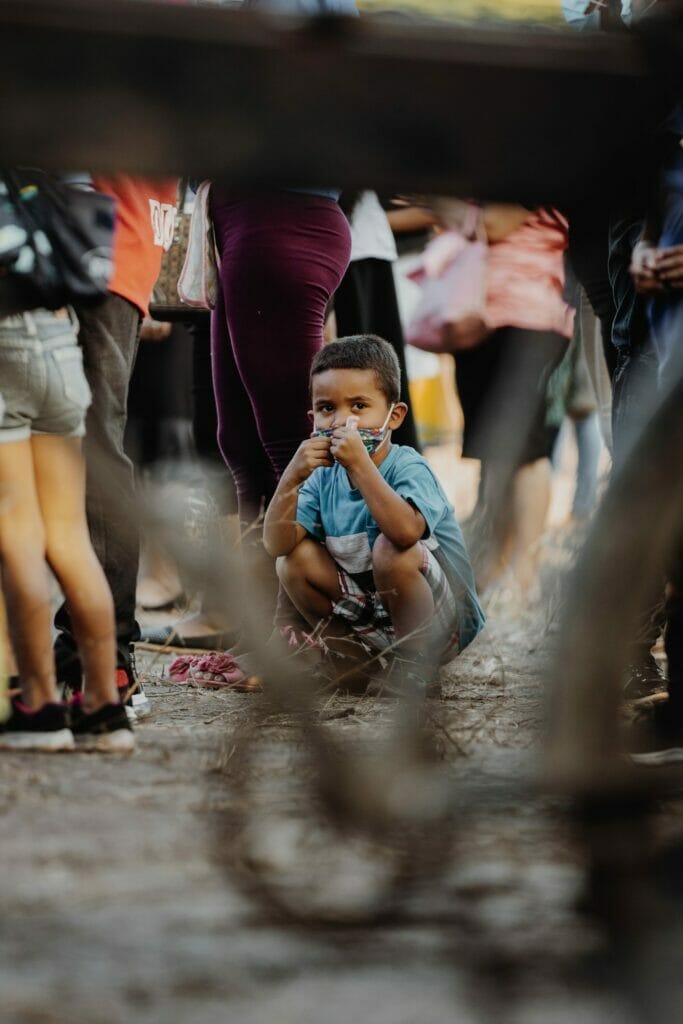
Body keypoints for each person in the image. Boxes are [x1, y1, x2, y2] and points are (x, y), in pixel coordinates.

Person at [262, 335, 485, 694]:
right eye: (327, 408)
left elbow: (404, 533)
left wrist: (360, 465)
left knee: (390, 549)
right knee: (291, 562)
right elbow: (276, 543)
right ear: (312, 417)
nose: (341, 422)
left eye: (359, 406)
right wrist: (291, 478)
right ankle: (349, 661)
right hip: (374, 614)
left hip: (441, 622)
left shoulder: (408, 467)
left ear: (394, 416)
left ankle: (417, 670)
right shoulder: (321, 477)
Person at [53, 174, 179, 719]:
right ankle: (81, 647)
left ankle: (104, 653)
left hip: (88, 246)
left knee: (92, 452)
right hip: (97, 243)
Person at [0, 309, 134, 752]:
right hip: (60, 340)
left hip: (5, 341)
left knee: (19, 537)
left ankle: (39, 706)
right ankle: (103, 705)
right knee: (69, 537)